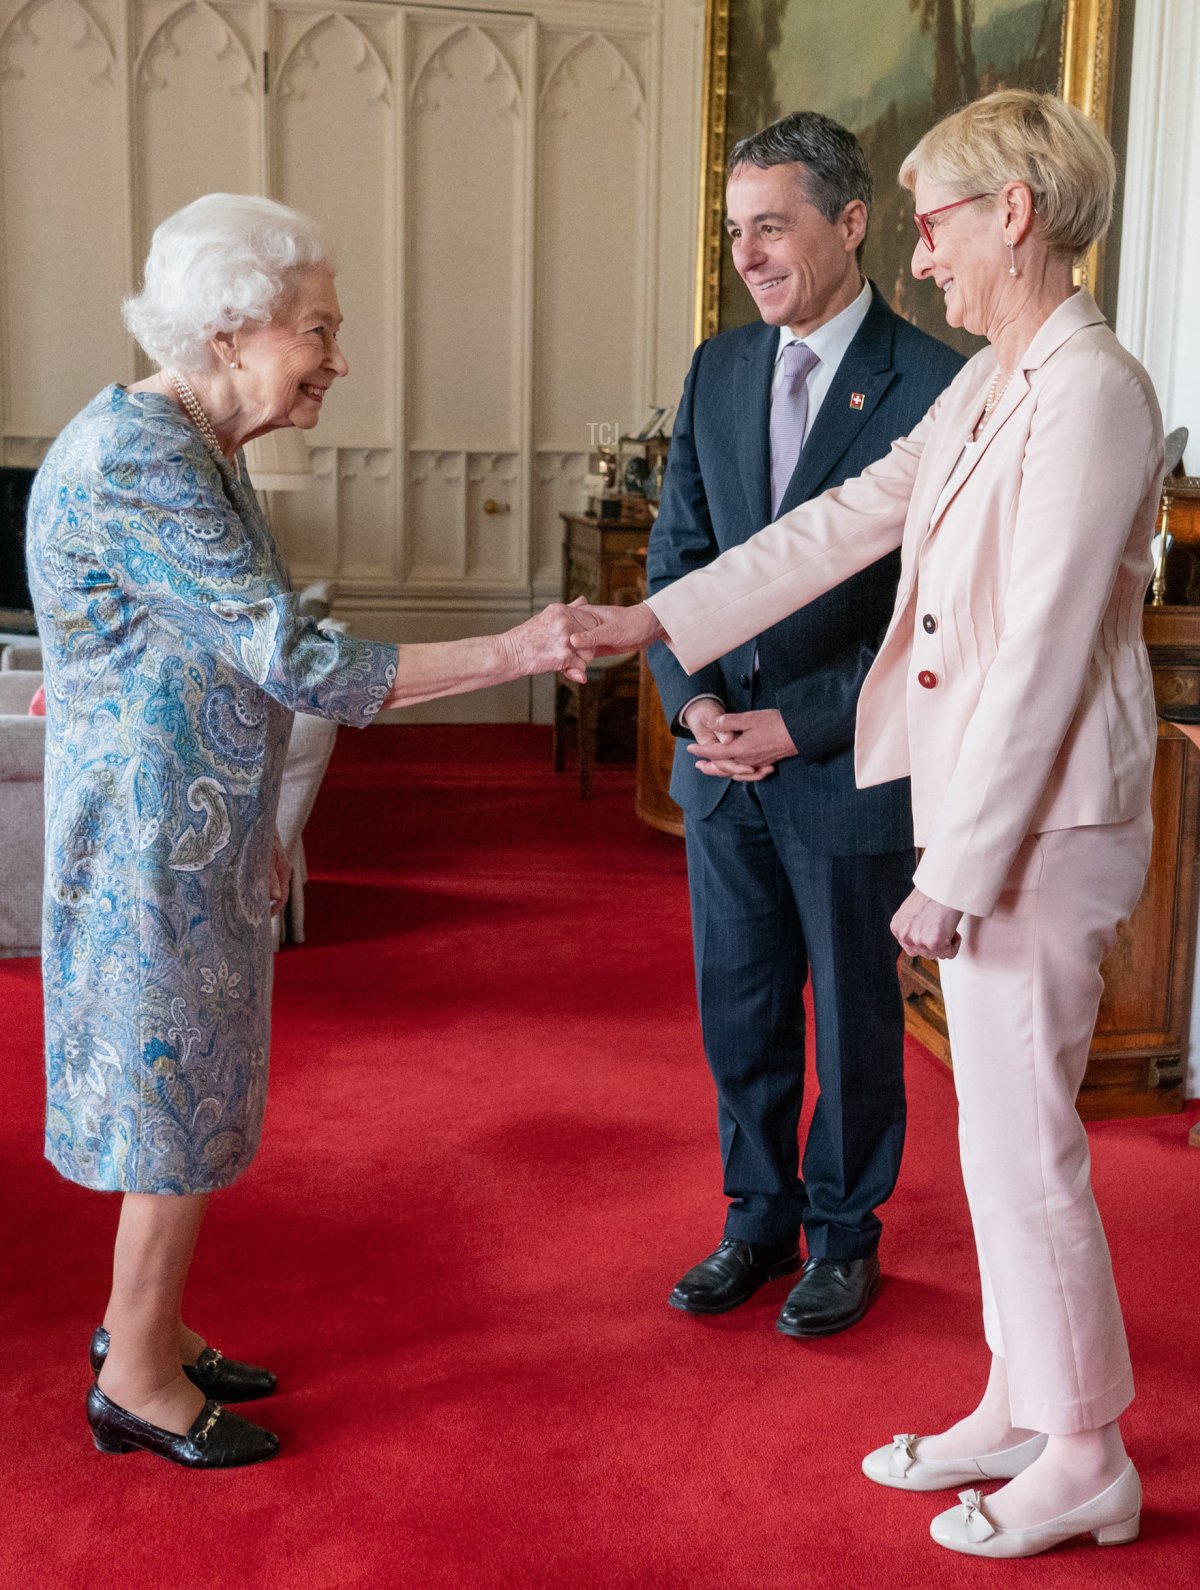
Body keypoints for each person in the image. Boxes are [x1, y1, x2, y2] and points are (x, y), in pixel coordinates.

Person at [572, 91, 1162, 1558]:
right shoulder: (999, 380)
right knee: (996, 1142)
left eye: (940, 218)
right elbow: (834, 528)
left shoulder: (1091, 387)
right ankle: (1023, 1399)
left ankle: (1086, 1453)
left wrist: (955, 868)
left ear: (1014, 212)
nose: (927, 250)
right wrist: (652, 614)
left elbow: (1036, 649)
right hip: (993, 809)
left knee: (1029, 1146)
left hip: (1039, 821)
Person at [28, 193, 586, 1469]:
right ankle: (136, 1381)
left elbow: (217, 658)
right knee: (171, 1101)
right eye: (318, 330)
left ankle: (145, 1329)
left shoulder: (194, 442)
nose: (338, 358)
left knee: (197, 1091)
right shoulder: (142, 458)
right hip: (147, 847)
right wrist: (516, 647)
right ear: (231, 330)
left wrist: (265, 816)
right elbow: (293, 656)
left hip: (191, 825)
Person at [648, 112, 962, 1335]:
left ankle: (844, 1233)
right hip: (722, 765)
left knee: (856, 1017)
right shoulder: (718, 366)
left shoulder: (937, 386)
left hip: (848, 765)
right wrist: (698, 708)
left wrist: (798, 723)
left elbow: (929, 617)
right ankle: (756, 1219)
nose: (749, 254)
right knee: (741, 1006)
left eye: (770, 226)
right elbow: (685, 556)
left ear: (849, 221)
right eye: (735, 231)